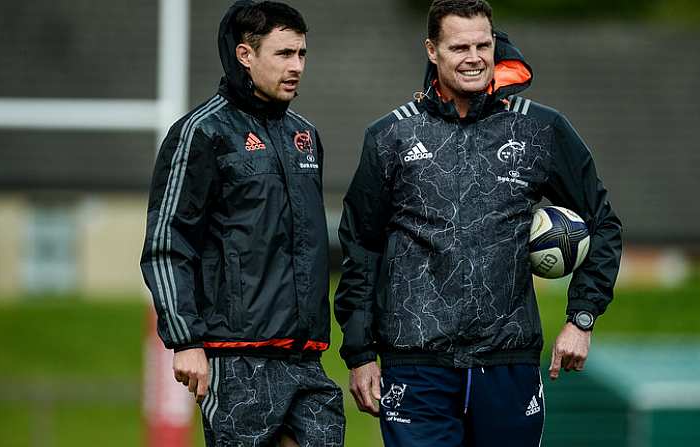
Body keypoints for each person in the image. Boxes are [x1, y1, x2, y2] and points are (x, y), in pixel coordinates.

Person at [334, 0, 622, 446]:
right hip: (415, 367)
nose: (474, 57)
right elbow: (361, 248)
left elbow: (602, 222)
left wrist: (581, 318)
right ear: (433, 51)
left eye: (483, 44)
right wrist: (359, 352)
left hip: (508, 363)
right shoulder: (390, 136)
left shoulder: (540, 129)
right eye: (459, 47)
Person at [139, 2, 344, 446]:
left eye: (302, 54)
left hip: (306, 358)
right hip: (237, 361)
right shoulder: (201, 133)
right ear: (245, 55)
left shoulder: (304, 135)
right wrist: (185, 340)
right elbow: (166, 245)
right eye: (284, 54)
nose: (297, 67)